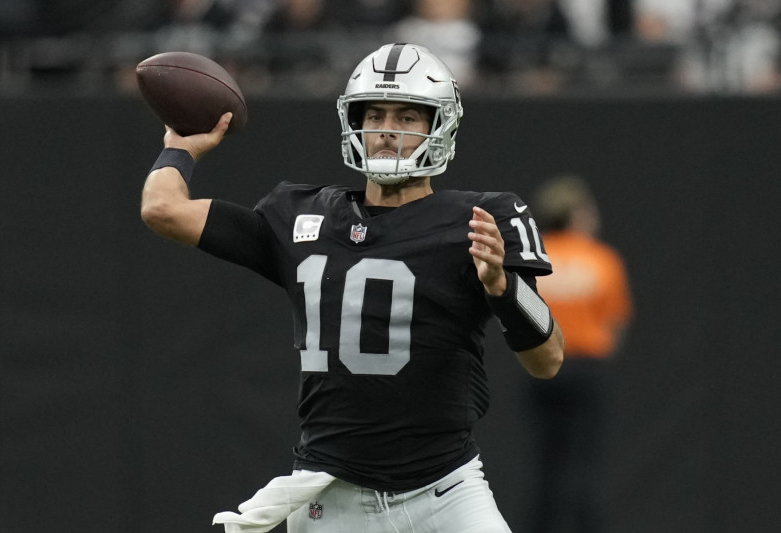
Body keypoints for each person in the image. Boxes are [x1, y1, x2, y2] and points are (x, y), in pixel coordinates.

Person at [140, 43, 564, 533]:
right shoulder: (300, 216)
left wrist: (501, 285)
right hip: (331, 496)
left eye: (407, 117)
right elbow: (162, 210)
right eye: (375, 113)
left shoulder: (479, 221)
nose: (387, 129)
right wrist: (182, 145)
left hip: (445, 491)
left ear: (438, 126)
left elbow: (548, 359)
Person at [523, 174, 633, 533]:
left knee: (546, 465)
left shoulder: (534, 260)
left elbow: (521, 316)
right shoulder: (602, 260)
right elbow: (615, 322)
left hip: (542, 370)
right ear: (577, 214)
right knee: (585, 464)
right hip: (587, 370)